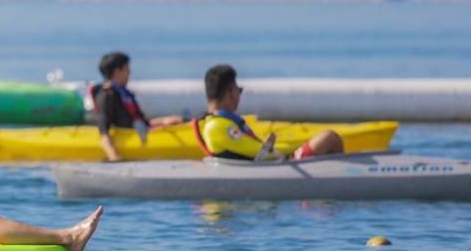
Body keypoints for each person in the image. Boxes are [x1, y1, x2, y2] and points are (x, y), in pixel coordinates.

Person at [195, 64, 343, 160]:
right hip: (274, 168)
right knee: (329, 138)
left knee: (326, 140)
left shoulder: (222, 123)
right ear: (231, 93)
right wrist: (298, 146)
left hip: (268, 167)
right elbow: (262, 153)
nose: (239, 96)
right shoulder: (217, 126)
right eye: (239, 90)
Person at [91, 51, 183, 162]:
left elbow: (137, 122)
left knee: (177, 120)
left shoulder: (124, 94)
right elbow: (104, 134)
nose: (130, 72)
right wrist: (115, 158)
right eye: (127, 69)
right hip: (127, 139)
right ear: (117, 72)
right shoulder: (106, 96)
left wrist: (164, 121)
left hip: (138, 132)